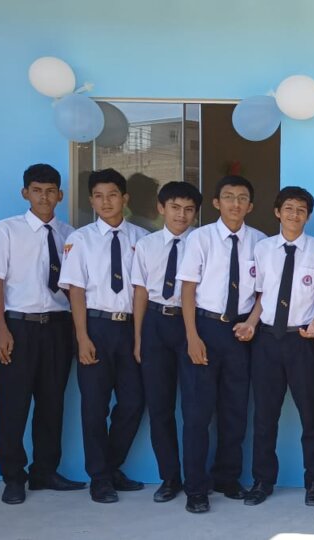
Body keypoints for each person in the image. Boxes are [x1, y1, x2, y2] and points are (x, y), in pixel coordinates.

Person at [0, 163, 85, 504]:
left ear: (60, 195)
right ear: (25, 193)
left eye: (51, 190)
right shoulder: (5, 231)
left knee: (52, 403)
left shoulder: (70, 236)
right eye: (37, 190)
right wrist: (0, 328)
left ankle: (44, 471)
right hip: (18, 327)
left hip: (57, 327)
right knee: (13, 404)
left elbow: (74, 286)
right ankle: (13, 476)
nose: (44, 197)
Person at [57, 168, 149, 504]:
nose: (105, 201)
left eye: (112, 194)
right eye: (98, 195)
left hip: (130, 328)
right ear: (91, 200)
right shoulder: (80, 239)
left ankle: (111, 467)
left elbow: (143, 290)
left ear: (124, 199)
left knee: (134, 402)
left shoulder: (142, 238)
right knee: (94, 406)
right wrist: (82, 337)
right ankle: (100, 477)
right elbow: (76, 292)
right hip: (95, 326)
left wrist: (139, 337)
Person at [176, 175, 261, 513]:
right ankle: (195, 487)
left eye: (242, 198)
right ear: (216, 203)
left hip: (241, 334)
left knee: (235, 412)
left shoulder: (260, 241)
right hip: (206, 329)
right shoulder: (200, 238)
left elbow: (265, 292)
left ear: (250, 206)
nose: (235, 204)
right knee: (197, 414)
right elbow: (186, 291)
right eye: (228, 197)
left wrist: (252, 322)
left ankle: (227, 477)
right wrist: (192, 336)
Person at [241, 187, 314, 507]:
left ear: (308, 215)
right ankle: (263, 481)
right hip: (267, 339)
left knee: (312, 415)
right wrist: (251, 322)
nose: (294, 214)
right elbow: (263, 295)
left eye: (301, 210)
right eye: (288, 208)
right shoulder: (263, 249)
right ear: (277, 212)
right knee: (265, 415)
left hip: (302, 340)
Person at [129, 181, 202, 504]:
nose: (181, 215)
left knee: (194, 408)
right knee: (159, 407)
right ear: (161, 208)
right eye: (175, 207)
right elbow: (141, 292)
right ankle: (169, 477)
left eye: (188, 209)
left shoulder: (201, 244)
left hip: (191, 324)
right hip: (157, 324)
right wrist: (138, 336)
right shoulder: (146, 245)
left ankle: (196, 477)